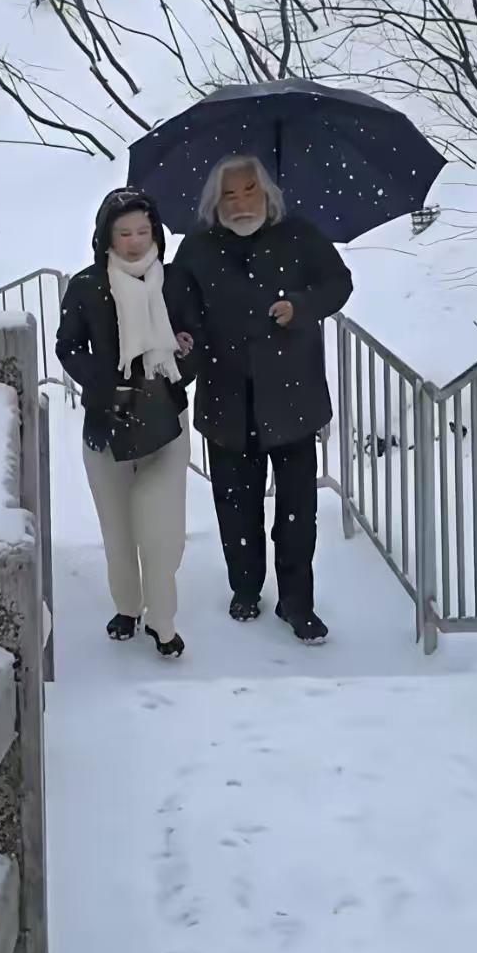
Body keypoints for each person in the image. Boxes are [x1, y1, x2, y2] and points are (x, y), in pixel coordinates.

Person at [174, 153, 354, 645]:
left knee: (298, 512)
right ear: (216, 201)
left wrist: (300, 306)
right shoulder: (198, 247)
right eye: (229, 194)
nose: (240, 202)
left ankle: (298, 604)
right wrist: (184, 338)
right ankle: (245, 587)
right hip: (226, 397)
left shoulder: (299, 234)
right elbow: (180, 309)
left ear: (267, 192)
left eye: (249, 190)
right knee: (235, 505)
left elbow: (339, 283)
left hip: (293, 398)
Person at [56, 187, 198, 658]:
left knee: (160, 529)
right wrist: (105, 380)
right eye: (124, 233)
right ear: (106, 237)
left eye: (143, 231)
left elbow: (198, 342)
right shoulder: (86, 286)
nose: (135, 241)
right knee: (117, 529)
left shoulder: (175, 282)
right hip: (108, 419)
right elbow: (68, 346)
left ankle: (162, 619)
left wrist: (182, 350)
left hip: (165, 418)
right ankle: (128, 606)